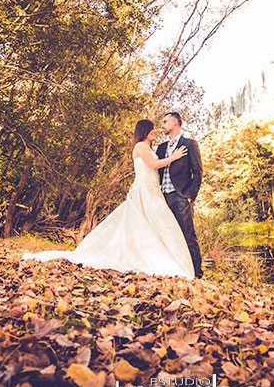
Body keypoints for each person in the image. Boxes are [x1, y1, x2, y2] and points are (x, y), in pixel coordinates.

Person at [20, 119, 196, 279]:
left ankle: (155, 256)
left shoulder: (152, 148)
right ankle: (142, 257)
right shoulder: (141, 146)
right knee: (143, 226)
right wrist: (173, 158)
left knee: (155, 227)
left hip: (153, 190)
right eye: (151, 129)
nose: (155, 131)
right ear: (144, 131)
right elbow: (153, 165)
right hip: (143, 191)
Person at [156, 112, 204, 278]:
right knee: (169, 234)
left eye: (165, 121)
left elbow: (197, 172)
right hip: (164, 196)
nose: (162, 125)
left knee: (188, 234)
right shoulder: (161, 148)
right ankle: (177, 270)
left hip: (181, 195)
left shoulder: (189, 144)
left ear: (175, 122)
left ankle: (197, 273)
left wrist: (190, 195)